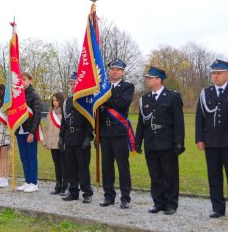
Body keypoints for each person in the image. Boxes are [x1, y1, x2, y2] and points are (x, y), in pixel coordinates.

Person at [135, 66, 185, 215]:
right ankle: (158, 202)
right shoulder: (144, 99)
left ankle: (171, 203)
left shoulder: (172, 97)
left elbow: (179, 122)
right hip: (151, 141)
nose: (147, 80)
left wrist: (179, 142)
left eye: (150, 78)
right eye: (147, 78)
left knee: (169, 173)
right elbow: (141, 123)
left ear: (159, 79)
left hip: (167, 141)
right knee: (155, 174)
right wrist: (138, 141)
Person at [99, 59, 135, 209]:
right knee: (107, 167)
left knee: (123, 166)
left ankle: (125, 197)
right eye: (112, 69)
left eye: (118, 69)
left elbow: (123, 103)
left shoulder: (128, 87)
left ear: (122, 72)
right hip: (105, 132)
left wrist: (106, 100)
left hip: (119, 132)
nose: (114, 71)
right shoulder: (102, 87)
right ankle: (109, 196)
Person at [195, 59, 228, 218]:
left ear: (226, 74)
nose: (215, 76)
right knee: (214, 176)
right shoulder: (205, 93)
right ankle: (218, 208)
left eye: (219, 73)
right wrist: (199, 138)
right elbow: (199, 118)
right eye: (213, 73)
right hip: (211, 142)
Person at [59, 72, 93, 204]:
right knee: (70, 167)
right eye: (71, 84)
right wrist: (61, 137)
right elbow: (64, 122)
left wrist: (89, 137)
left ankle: (87, 192)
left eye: (75, 83)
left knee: (83, 167)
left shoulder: (85, 100)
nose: (73, 86)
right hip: (69, 137)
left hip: (81, 137)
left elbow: (90, 120)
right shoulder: (67, 101)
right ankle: (73, 191)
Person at [15, 72, 42, 193]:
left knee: (31, 157)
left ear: (30, 81)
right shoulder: (17, 95)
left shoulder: (34, 95)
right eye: (21, 79)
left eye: (24, 79)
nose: (22, 81)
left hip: (29, 131)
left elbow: (37, 115)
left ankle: (33, 182)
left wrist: (32, 132)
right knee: (23, 158)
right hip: (19, 131)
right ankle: (27, 181)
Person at [44, 92, 67, 195]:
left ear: (61, 101)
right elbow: (47, 129)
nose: (55, 102)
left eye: (56, 100)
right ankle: (58, 184)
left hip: (61, 143)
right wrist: (46, 141)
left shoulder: (65, 114)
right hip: (53, 143)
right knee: (56, 165)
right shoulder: (50, 114)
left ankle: (65, 185)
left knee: (63, 165)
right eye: (53, 100)